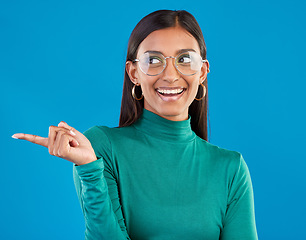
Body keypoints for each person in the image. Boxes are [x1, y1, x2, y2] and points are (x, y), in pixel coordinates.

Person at [12, 10, 258, 240]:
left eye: (184, 59)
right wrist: (88, 168)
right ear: (133, 73)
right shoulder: (100, 149)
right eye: (154, 60)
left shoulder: (231, 168)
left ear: (202, 72)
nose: (170, 75)